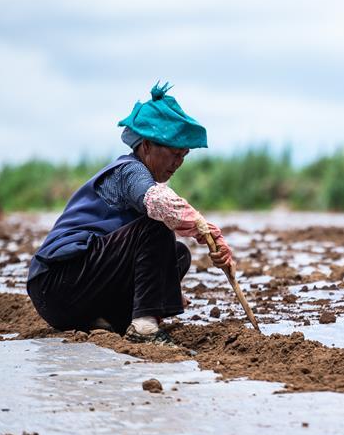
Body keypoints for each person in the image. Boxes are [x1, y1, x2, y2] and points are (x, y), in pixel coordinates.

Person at [26, 82, 235, 343]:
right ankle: (144, 327)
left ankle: (111, 320)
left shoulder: (143, 176)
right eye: (173, 153)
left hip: (74, 298)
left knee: (177, 254)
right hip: (57, 281)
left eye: (183, 155)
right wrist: (206, 231)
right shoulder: (130, 170)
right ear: (146, 146)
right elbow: (160, 205)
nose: (178, 163)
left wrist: (164, 286)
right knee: (156, 224)